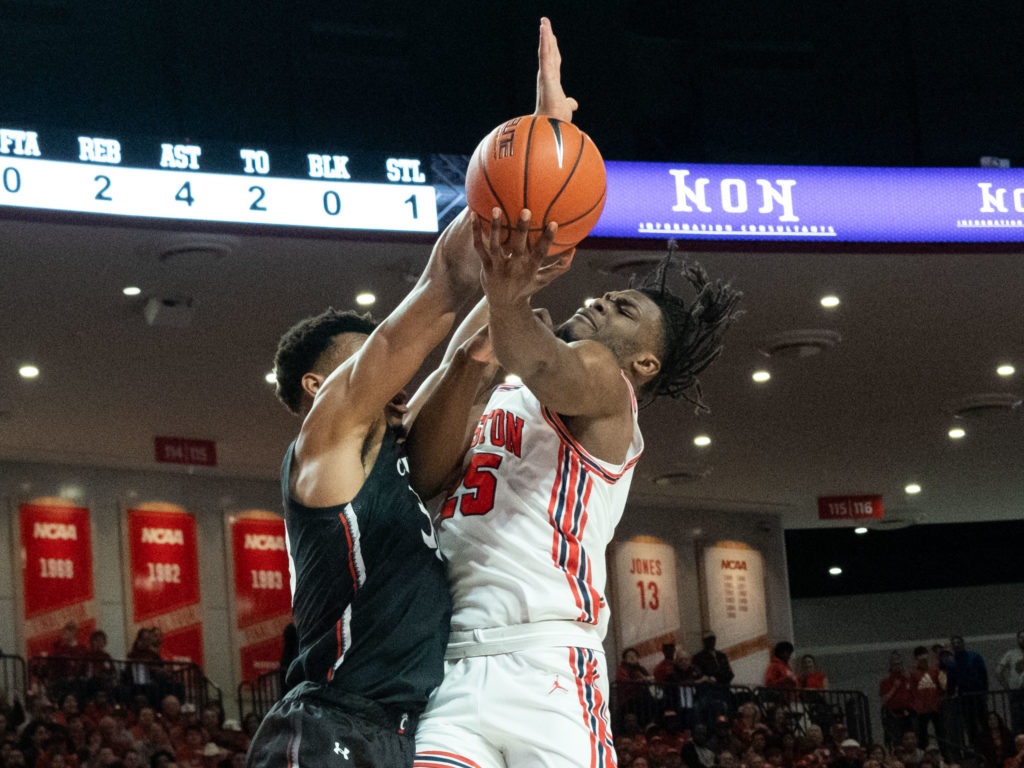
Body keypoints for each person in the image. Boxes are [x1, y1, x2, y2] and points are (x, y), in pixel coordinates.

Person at [244, 17, 571, 765]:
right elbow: (443, 285)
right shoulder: (326, 445)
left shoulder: (389, 463)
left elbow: (469, 354)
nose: (394, 382)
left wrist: (548, 174)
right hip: (326, 727)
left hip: (396, 733)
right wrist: (527, 152)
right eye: (366, 365)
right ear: (320, 386)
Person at [410, 24, 741, 762]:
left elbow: (544, 362)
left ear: (645, 363)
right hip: (454, 664)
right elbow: (426, 474)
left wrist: (507, 296)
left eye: (623, 310)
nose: (599, 303)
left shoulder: (607, 391)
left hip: (549, 670)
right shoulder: (503, 372)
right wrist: (544, 146)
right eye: (607, 296)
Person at [909, 646, 945, 752]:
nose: (924, 661)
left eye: (925, 659)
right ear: (917, 659)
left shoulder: (935, 671)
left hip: (935, 707)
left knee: (941, 732)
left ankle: (944, 753)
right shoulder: (914, 674)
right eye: (921, 659)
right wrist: (916, 706)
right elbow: (912, 691)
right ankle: (923, 753)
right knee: (922, 734)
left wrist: (940, 700)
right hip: (921, 710)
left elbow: (942, 687)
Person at [880, 651, 915, 748]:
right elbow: (884, 699)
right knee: (896, 737)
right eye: (895, 664)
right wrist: (894, 688)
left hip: (908, 713)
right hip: (893, 714)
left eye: (899, 664)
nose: (898, 666)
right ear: (891, 666)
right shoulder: (886, 682)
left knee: (910, 735)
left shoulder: (907, 680)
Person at [996, 630, 1024, 735]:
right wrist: (1006, 687)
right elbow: (998, 671)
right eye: (1021, 637)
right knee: (1017, 721)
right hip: (1016, 692)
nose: (1023, 639)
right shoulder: (1011, 654)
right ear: (1017, 639)